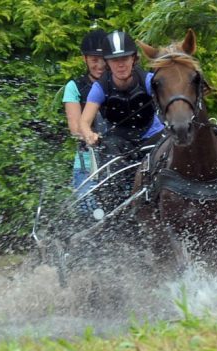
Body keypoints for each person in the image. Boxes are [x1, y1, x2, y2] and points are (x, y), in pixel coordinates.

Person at [77, 30, 165, 211]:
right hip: (120, 143)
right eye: (115, 60)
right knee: (110, 162)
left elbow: (167, 101)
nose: (120, 65)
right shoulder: (100, 87)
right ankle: (116, 212)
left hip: (152, 136)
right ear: (107, 63)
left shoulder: (148, 80)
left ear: (134, 58)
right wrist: (89, 135)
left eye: (125, 59)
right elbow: (84, 122)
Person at [62, 29, 107, 216]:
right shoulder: (74, 87)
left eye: (103, 59)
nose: (100, 65)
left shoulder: (118, 84)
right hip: (89, 161)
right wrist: (91, 135)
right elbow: (75, 127)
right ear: (85, 60)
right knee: (89, 210)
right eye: (94, 60)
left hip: (120, 155)